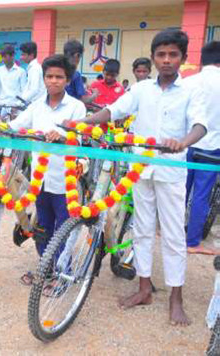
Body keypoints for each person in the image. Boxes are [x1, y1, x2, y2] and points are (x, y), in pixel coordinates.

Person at [76, 29, 207, 326]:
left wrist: (183, 141)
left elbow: (200, 125)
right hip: (141, 169)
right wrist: (82, 122)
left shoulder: (191, 91)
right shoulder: (142, 89)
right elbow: (113, 110)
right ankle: (144, 287)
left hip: (172, 171)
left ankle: (176, 297)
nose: (167, 60)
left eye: (173, 54)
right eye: (161, 54)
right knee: (142, 229)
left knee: (173, 235)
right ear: (153, 58)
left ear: (183, 58)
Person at [6, 54, 86, 286]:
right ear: (43, 79)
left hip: (64, 179)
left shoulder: (76, 107)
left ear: (68, 80)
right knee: (43, 226)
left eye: (59, 77)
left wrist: (63, 136)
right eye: (49, 76)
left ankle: (63, 274)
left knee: (63, 228)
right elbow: (15, 126)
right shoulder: (36, 106)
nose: (53, 81)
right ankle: (45, 267)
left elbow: (80, 137)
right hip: (40, 180)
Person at [184, 41, 220, 255]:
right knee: (201, 196)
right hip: (213, 147)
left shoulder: (189, 82)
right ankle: (193, 242)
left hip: (187, 143)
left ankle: (171, 232)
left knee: (180, 190)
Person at [0, 44, 27, 112]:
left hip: (15, 106)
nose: (3, 59)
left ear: (12, 56)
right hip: (1, 105)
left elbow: (24, 91)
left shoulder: (21, 71)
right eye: (2, 57)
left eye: (5, 57)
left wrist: (18, 105)